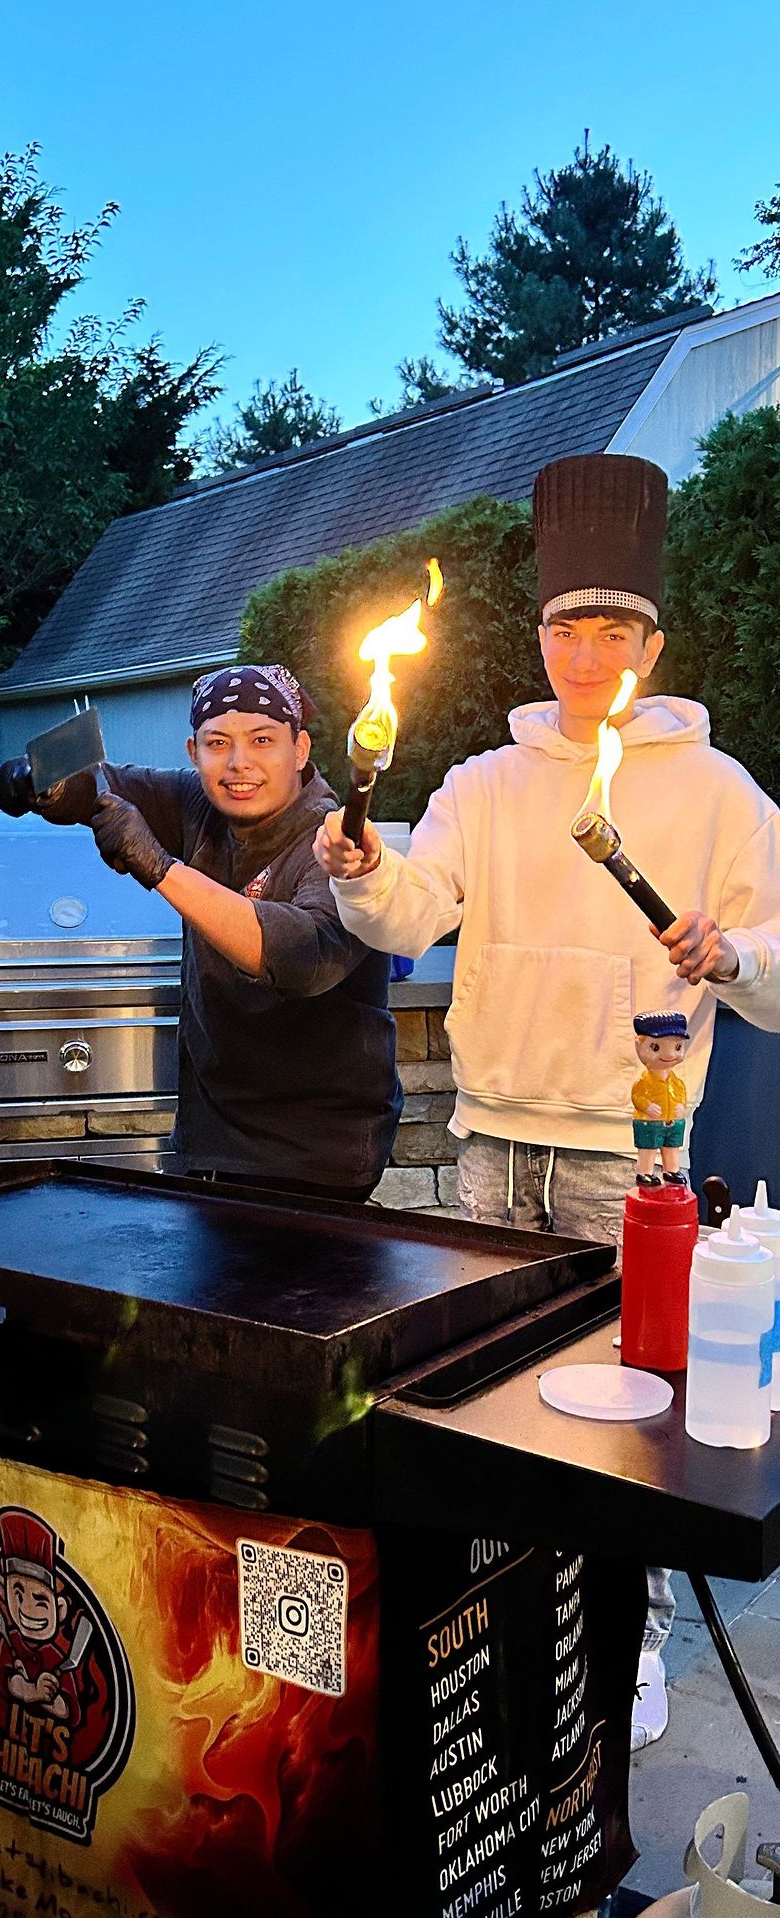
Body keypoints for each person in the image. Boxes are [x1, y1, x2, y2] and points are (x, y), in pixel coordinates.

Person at [314, 452, 780, 1748]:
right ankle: (512, 1619)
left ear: (652, 645)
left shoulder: (722, 793)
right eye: (569, 626)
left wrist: (732, 954)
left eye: (613, 629)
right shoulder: (483, 782)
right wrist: (358, 869)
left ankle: (633, 1646)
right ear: (540, 640)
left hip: (633, 1158)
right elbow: (408, 915)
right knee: (490, 1413)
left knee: (638, 1405)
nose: (588, 652)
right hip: (488, 1152)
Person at [0, 663, 402, 1202]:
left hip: (317, 1151)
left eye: (262, 740)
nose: (239, 763)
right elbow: (104, 783)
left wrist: (161, 868)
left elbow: (306, 957)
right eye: (217, 743)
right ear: (193, 752)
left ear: (300, 749)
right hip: (212, 1135)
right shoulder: (198, 806)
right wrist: (45, 782)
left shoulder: (335, 842)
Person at [632, 1009, 689, 1187]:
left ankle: (671, 1171)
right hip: (649, 1122)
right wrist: (647, 1106)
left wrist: (681, 1106)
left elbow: (681, 1095)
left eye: (677, 1047)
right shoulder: (644, 1081)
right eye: (655, 1047)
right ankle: (645, 1173)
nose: (670, 1055)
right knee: (648, 1149)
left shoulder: (676, 1081)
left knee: (671, 1147)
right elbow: (637, 1096)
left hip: (672, 1121)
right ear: (639, 1046)